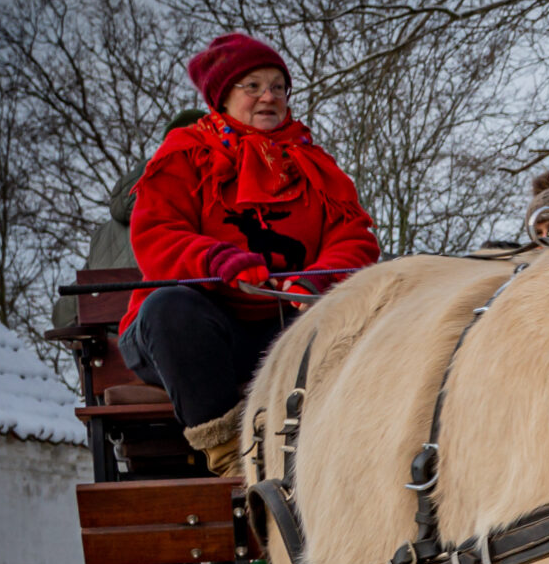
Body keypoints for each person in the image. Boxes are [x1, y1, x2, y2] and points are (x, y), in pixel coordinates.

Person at [121, 33, 380, 472]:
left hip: (282, 327)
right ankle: (232, 460)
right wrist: (216, 259)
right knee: (171, 309)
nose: (269, 96)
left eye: (278, 87)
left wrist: (317, 277)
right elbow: (157, 234)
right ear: (223, 97)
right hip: (196, 335)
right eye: (254, 86)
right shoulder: (183, 155)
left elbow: (353, 235)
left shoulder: (314, 163)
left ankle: (345, 459)